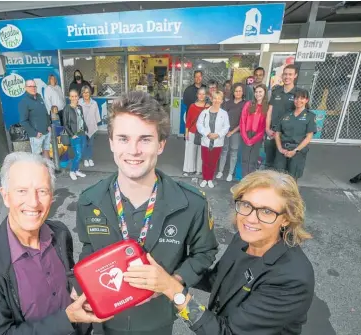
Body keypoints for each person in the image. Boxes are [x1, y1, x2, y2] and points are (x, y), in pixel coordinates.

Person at [74, 91, 218, 335]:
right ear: (110, 142)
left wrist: (173, 281)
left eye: (145, 139)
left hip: (157, 321)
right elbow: (88, 247)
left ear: (161, 144)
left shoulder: (191, 203)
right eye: (123, 138)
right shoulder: (89, 200)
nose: (133, 150)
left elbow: (204, 252)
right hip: (106, 321)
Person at [124, 170, 314, 335]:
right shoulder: (244, 238)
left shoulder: (291, 278)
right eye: (246, 205)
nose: (250, 219)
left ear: (287, 219)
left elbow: (227, 332)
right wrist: (173, 269)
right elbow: (219, 279)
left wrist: (172, 289)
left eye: (266, 211)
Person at [0, 152, 110, 335]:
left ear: (52, 196)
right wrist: (67, 319)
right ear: (5, 196)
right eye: (22, 191)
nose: (33, 202)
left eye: (42, 191)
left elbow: (68, 282)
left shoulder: (60, 233)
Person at [275, 89, 316, 180]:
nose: (298, 101)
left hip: (298, 151)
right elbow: (277, 133)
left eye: (302, 98)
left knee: (292, 179)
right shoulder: (286, 115)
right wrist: (280, 149)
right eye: (296, 98)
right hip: (283, 151)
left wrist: (295, 150)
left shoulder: (310, 116)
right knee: (279, 178)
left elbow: (309, 137)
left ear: (306, 100)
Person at [265, 64, 299, 169]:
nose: (287, 77)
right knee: (269, 162)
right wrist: (267, 129)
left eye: (290, 74)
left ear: (295, 76)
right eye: (285, 74)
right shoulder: (276, 91)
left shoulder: (299, 94)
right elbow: (270, 111)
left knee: (283, 166)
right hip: (273, 132)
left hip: (288, 136)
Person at [197, 90, 230, 188]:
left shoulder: (224, 114)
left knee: (213, 162)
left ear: (222, 101)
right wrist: (207, 133)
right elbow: (199, 124)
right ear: (211, 99)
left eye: (219, 98)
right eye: (215, 98)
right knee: (205, 161)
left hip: (217, 142)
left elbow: (226, 127)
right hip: (206, 141)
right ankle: (205, 178)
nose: (216, 100)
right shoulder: (205, 112)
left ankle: (210, 179)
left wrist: (218, 135)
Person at [216, 83, 245, 182]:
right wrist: (225, 130)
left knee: (234, 152)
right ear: (233, 92)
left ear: (243, 92)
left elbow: (243, 121)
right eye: (236, 91)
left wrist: (232, 132)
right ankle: (220, 171)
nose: (238, 93)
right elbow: (222, 118)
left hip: (236, 132)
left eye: (240, 91)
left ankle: (230, 173)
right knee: (224, 150)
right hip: (225, 131)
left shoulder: (245, 104)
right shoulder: (227, 103)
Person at [240, 84, 269, 177]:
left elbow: (264, 126)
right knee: (245, 159)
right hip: (247, 134)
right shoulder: (249, 104)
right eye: (256, 92)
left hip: (258, 136)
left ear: (265, 93)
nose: (258, 94)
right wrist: (245, 137)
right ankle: (244, 180)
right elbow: (243, 120)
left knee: (253, 159)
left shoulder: (267, 107)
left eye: (260, 92)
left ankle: (250, 180)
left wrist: (253, 140)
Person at [18, 80, 51, 159]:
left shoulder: (39, 98)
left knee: (46, 151)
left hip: (46, 132)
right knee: (36, 157)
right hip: (37, 136)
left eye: (34, 86)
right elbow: (23, 121)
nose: (33, 88)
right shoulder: (24, 102)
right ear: (26, 88)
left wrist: (49, 125)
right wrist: (34, 133)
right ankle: (38, 171)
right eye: (30, 86)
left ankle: (48, 170)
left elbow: (45, 113)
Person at [63, 88, 88, 181]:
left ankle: (77, 170)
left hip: (82, 133)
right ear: (69, 97)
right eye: (72, 96)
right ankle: (72, 171)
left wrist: (85, 128)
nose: (74, 98)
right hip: (74, 135)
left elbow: (81, 119)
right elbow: (65, 124)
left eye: (76, 96)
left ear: (78, 97)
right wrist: (72, 134)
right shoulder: (67, 108)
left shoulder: (80, 107)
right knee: (78, 154)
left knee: (81, 153)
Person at [183, 87, 206, 179]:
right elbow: (188, 121)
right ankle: (188, 169)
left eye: (203, 94)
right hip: (192, 131)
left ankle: (199, 170)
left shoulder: (208, 107)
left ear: (206, 95)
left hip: (203, 133)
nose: (201, 96)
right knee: (190, 151)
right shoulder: (192, 106)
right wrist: (186, 132)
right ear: (197, 95)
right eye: (200, 94)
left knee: (201, 152)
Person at [79, 85, 101, 168]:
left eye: (87, 92)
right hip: (82, 127)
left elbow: (97, 114)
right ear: (82, 93)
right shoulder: (79, 102)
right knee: (84, 144)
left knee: (90, 144)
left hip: (91, 126)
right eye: (84, 92)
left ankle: (90, 158)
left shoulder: (94, 103)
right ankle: (85, 159)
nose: (85, 94)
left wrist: (97, 123)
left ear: (90, 93)